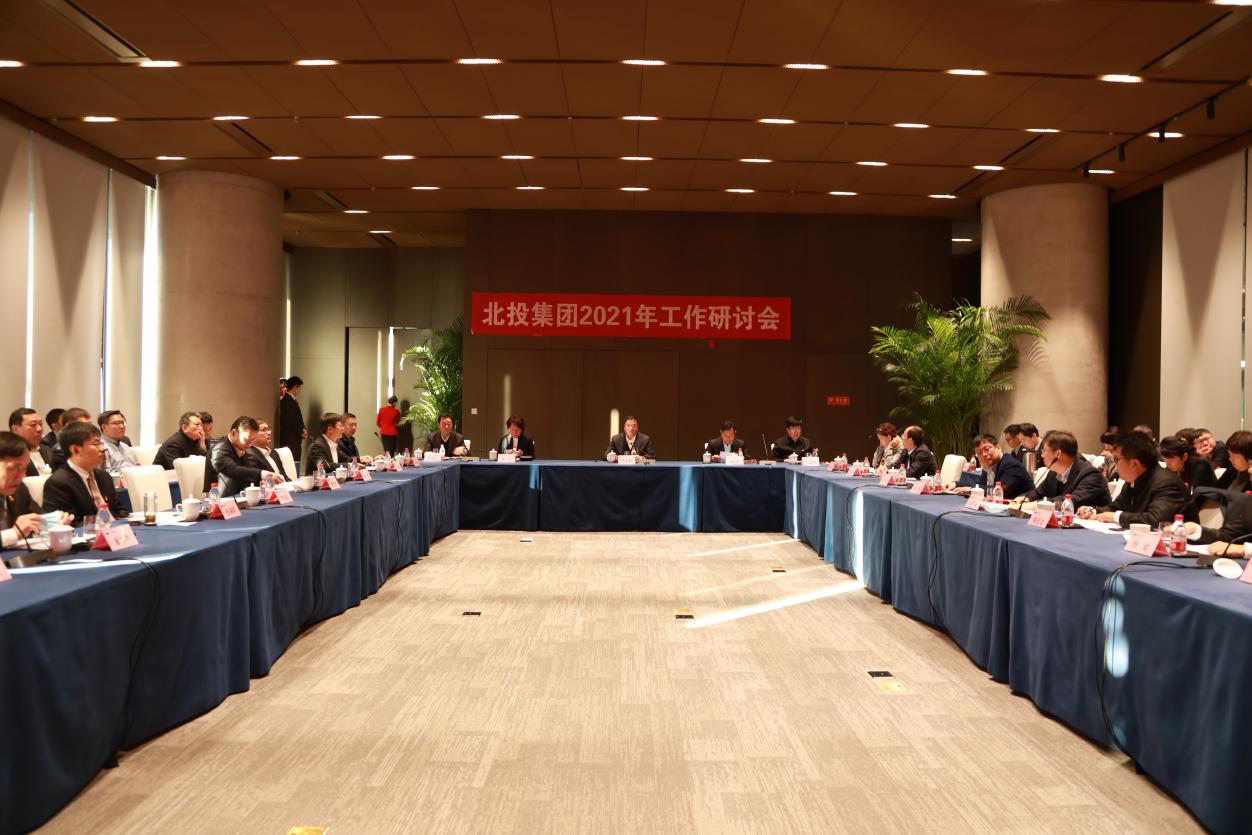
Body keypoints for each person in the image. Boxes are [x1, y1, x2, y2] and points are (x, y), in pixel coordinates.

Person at [1078, 431, 1189, 527]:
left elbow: (1156, 520)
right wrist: (1093, 511)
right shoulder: (1133, 480)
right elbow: (1116, 507)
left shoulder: (1166, 483)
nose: (1115, 465)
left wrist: (1116, 517)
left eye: (1117, 459)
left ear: (1134, 463)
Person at [41, 421, 124, 525]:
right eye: (96, 444)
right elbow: (72, 524)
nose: (103, 448)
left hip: (116, 532)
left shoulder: (104, 476)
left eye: (101, 443)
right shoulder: (58, 483)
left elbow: (119, 511)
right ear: (75, 450)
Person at [0, 431, 67, 550]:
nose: (20, 476)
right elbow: (17, 531)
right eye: (15, 467)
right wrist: (13, 533)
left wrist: (55, 521)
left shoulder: (19, 489)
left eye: (24, 468)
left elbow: (38, 517)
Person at [1022, 430, 1110, 507]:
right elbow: (1038, 493)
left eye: (1044, 451)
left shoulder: (1091, 475)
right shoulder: (1053, 473)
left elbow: (1071, 501)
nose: (1042, 455)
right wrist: (1023, 499)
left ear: (1058, 454)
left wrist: (1035, 504)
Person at [955, 434, 1034, 499]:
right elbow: (980, 485)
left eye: (987, 449)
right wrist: (956, 484)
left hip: (1022, 508)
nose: (984, 455)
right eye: (979, 452)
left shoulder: (1010, 464)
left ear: (998, 447)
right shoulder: (988, 464)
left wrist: (971, 489)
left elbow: (999, 491)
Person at [210, 416, 267, 496]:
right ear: (233, 433)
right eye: (246, 439)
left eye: (252, 440)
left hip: (239, 496)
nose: (249, 444)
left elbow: (247, 472)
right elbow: (232, 469)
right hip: (220, 499)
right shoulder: (219, 447)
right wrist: (262, 474)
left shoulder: (241, 447)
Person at [8, 408, 53, 476]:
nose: (39, 429)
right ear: (15, 429)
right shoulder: (8, 455)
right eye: (33, 425)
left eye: (40, 424)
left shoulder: (47, 449)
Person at [278, 375, 308, 458]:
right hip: (290, 441)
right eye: (299, 387)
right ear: (295, 387)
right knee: (293, 463)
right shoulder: (287, 400)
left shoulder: (289, 400)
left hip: (292, 441)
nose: (299, 390)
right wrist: (302, 431)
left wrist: (303, 429)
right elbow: (291, 420)